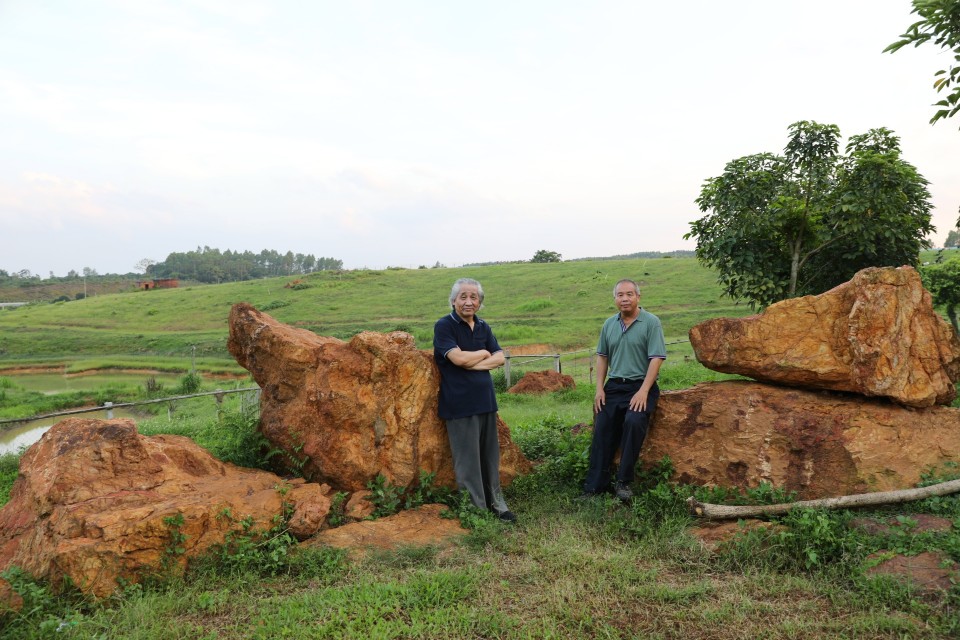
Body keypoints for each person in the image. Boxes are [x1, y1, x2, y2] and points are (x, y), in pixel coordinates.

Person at [433, 277, 516, 522]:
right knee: (468, 461)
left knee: (490, 457)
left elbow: (500, 358)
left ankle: (498, 505)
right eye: (463, 297)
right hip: (459, 404)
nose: (469, 302)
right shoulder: (444, 326)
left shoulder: (483, 327)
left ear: (480, 302)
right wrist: (482, 353)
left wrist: (474, 363)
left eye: (474, 297)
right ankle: (476, 511)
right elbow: (457, 359)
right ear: (453, 300)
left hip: (486, 401)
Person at [582, 278, 667, 502]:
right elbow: (602, 357)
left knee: (634, 421)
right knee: (602, 427)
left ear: (638, 297)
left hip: (641, 385)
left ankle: (624, 482)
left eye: (629, 294)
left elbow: (657, 358)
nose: (625, 298)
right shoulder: (609, 324)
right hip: (614, 386)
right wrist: (599, 389)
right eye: (620, 295)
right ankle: (594, 488)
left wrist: (643, 391)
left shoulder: (651, 322)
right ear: (615, 299)